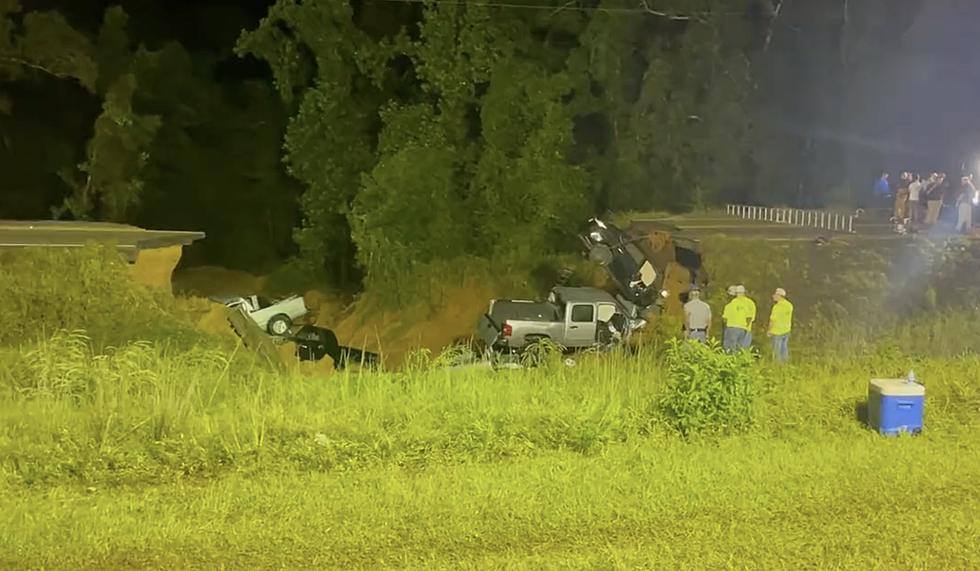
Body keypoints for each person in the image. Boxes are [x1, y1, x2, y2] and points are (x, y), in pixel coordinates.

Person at [722, 285, 755, 351]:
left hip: (731, 327)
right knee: (740, 348)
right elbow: (749, 317)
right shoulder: (749, 303)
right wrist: (746, 327)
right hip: (743, 328)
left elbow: (725, 318)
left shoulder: (731, 304)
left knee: (730, 348)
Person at [767, 288, 794, 363]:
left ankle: (777, 365)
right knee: (784, 348)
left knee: (776, 350)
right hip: (786, 330)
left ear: (779, 296)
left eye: (775, 295)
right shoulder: (789, 305)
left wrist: (769, 330)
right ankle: (785, 364)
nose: (773, 296)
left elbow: (773, 320)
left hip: (777, 331)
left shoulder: (777, 307)